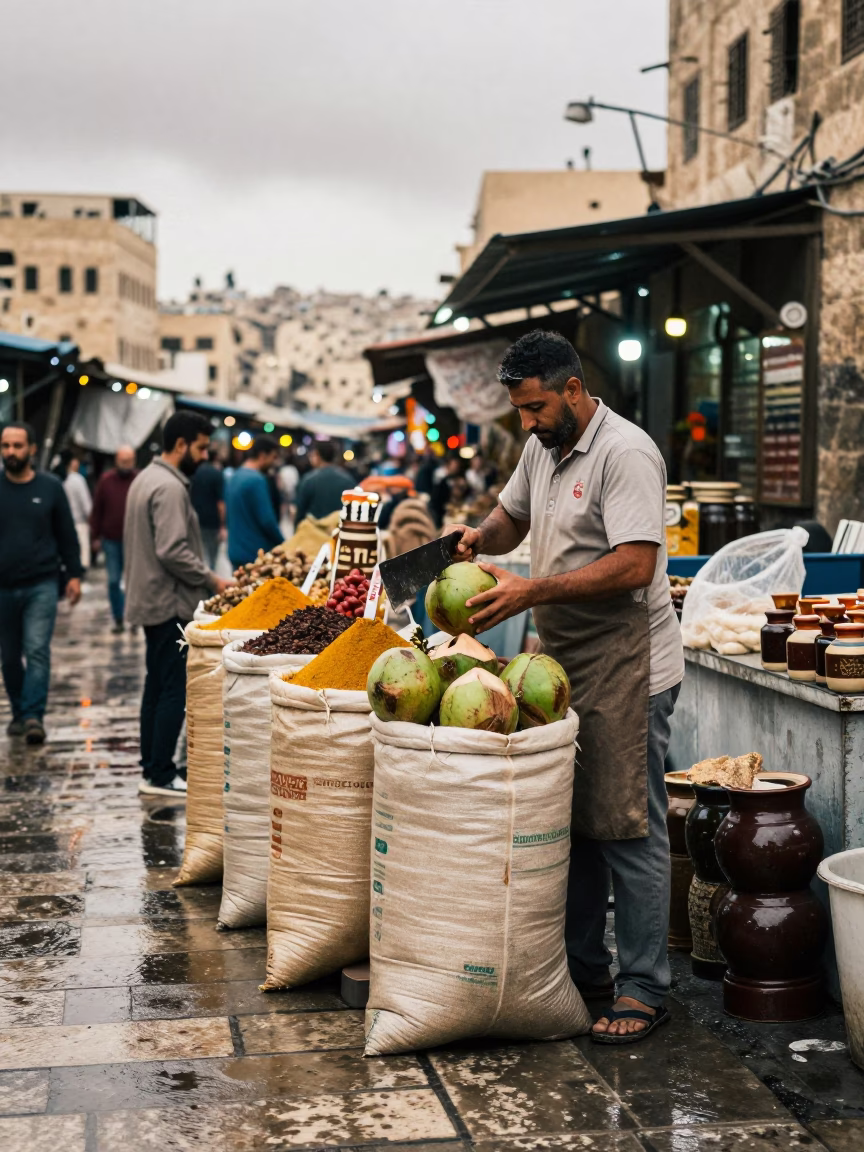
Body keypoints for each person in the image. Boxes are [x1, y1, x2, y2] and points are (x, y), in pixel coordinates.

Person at [448, 330, 684, 1045]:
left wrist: (531, 593)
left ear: (574, 390)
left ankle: (644, 986)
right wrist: (478, 538)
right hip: (562, 661)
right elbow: (512, 515)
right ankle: (586, 973)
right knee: (575, 820)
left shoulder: (626, 453)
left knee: (628, 826)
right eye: (519, 409)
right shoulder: (540, 447)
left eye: (536, 406)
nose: (527, 421)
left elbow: (636, 565)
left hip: (627, 662)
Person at [124, 411, 231, 797]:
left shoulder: (145, 478)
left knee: (155, 685)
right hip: (168, 603)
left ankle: (153, 766)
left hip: (150, 599)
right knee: (170, 688)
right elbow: (171, 551)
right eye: (201, 447)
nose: (204, 456)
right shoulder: (169, 488)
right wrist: (211, 578)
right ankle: (162, 772)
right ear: (182, 444)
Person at [0, 423, 82, 745]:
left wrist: (74, 574)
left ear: (32, 449)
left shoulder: (50, 487)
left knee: (36, 650)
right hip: (3, 586)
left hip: (41, 584)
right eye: (5, 446)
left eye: (17, 445)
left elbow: (67, 534)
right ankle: (20, 713)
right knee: (8, 657)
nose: (10, 452)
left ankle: (34, 715)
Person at [90, 445, 137, 632]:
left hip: (134, 539)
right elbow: (97, 509)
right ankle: (118, 618)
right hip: (111, 539)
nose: (126, 464)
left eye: (129, 460)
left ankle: (134, 617)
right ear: (116, 460)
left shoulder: (138, 479)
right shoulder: (106, 480)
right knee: (113, 580)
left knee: (134, 581)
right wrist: (95, 536)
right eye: (122, 460)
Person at [225, 435, 283, 568]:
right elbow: (267, 520)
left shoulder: (235, 476)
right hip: (254, 553)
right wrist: (283, 542)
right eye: (273, 457)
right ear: (262, 455)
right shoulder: (257, 480)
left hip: (235, 550)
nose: (274, 462)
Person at [294, 441, 353, 522]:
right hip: (339, 530)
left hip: (314, 531)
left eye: (312, 455)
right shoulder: (348, 479)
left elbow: (300, 512)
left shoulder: (309, 480)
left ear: (317, 455)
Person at [189, 454, 225, 570]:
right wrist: (223, 525)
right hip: (212, 521)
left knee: (198, 554)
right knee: (212, 556)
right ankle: (211, 581)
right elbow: (221, 503)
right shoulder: (216, 474)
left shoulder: (191, 473)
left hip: (195, 520)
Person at [62, 453, 93, 570]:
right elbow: (87, 506)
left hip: (61, 527)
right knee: (79, 563)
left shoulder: (57, 479)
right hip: (78, 525)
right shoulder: (77, 480)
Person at [430, 456, 463, 527]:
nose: (456, 469)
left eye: (458, 466)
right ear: (448, 465)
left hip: (446, 509)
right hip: (437, 510)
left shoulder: (454, 478)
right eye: (454, 466)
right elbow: (437, 496)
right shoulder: (440, 475)